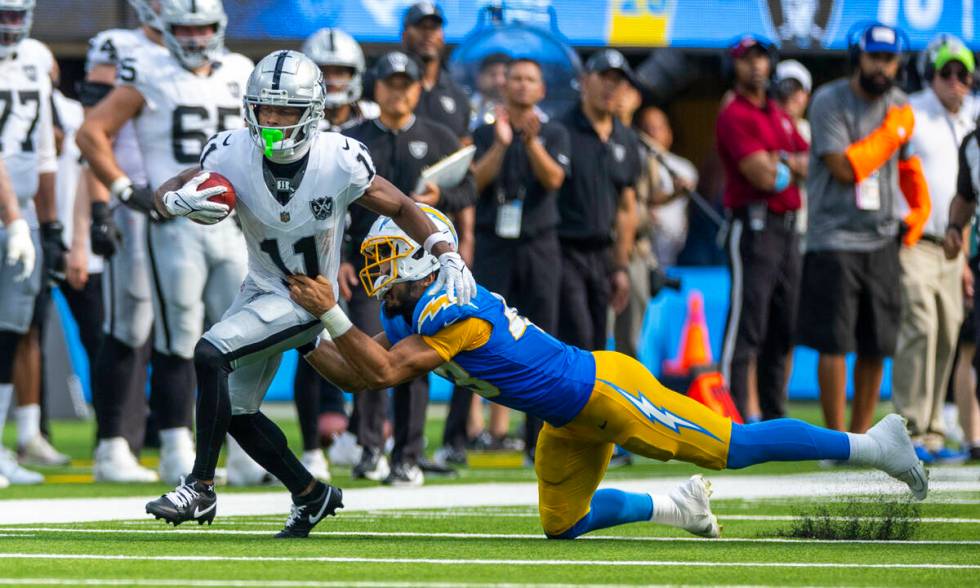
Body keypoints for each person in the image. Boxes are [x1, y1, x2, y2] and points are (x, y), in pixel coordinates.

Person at [288, 208, 928, 540]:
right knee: (561, 525)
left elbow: (385, 371)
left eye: (385, 256)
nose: (375, 271)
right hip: (566, 418)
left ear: (421, 260)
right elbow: (358, 375)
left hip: (606, 390)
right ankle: (672, 506)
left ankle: (876, 444)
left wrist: (330, 314)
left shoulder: (454, 310)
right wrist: (300, 334)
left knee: (731, 447)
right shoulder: (411, 315)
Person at [142, 50, 476, 536]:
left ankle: (200, 485)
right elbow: (177, 182)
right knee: (233, 411)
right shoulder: (230, 151)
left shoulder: (338, 158)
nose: (274, 121)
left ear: (313, 113)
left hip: (308, 299)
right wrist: (171, 201)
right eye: (266, 109)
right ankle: (311, 494)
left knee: (211, 352)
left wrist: (446, 251)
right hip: (258, 288)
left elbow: (402, 204)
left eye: (287, 111)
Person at [76, 0, 255, 485]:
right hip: (173, 226)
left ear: (219, 27)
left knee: (243, 338)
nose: (195, 38)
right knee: (178, 337)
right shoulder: (147, 70)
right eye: (184, 28)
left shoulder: (241, 72)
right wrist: (124, 192)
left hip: (232, 226)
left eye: (202, 27)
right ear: (165, 28)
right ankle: (177, 444)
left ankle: (243, 450)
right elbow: (92, 132)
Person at [344, 51, 477, 486]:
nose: (398, 91)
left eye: (406, 83)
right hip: (372, 266)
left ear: (418, 88)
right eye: (390, 82)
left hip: (423, 270)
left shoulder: (439, 136)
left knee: (415, 358)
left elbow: (469, 191)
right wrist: (343, 259)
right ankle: (368, 447)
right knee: (367, 350)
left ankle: (407, 455)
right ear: (375, 88)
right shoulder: (354, 140)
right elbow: (334, 207)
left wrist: (443, 200)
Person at [436, 57, 570, 465]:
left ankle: (536, 443)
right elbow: (474, 181)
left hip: (540, 244)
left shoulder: (555, 132)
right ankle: (455, 439)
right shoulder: (484, 131)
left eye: (530, 79)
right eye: (515, 79)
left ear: (541, 89)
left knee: (543, 340)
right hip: (496, 244)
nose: (522, 85)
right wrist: (502, 144)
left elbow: (554, 180)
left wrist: (530, 143)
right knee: (471, 331)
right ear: (504, 86)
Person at [799, 23, 930, 434]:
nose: (882, 66)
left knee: (877, 344)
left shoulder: (899, 102)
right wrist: (892, 132)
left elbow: (907, 165)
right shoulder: (827, 100)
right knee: (835, 343)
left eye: (889, 59)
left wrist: (920, 208)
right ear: (858, 57)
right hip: (834, 237)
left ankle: (862, 438)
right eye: (874, 56)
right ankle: (836, 439)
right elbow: (844, 168)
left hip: (882, 238)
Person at [75, 0, 165, 483]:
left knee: (179, 331)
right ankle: (113, 442)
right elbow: (94, 133)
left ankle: (175, 438)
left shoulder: (204, 58)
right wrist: (99, 207)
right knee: (126, 326)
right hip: (130, 202)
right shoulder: (119, 47)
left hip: (179, 210)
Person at [893, 34, 977, 463]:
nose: (955, 81)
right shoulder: (912, 111)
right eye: (946, 71)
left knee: (947, 331)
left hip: (954, 245)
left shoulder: (972, 120)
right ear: (931, 73)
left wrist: (963, 256)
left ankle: (932, 433)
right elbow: (890, 166)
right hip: (915, 240)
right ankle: (906, 428)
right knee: (920, 326)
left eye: (963, 73)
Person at [716, 35, 809, 423]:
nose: (756, 66)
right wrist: (782, 163)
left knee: (784, 324)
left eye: (761, 58)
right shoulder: (734, 113)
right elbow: (762, 175)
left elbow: (809, 161)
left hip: (787, 228)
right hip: (753, 225)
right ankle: (731, 415)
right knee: (747, 323)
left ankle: (775, 415)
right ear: (734, 66)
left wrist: (779, 161)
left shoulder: (776, 112)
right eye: (746, 59)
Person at [0, 0, 58, 486]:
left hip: (20, 214)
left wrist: (50, 222)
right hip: (11, 214)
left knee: (11, 330)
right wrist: (17, 217)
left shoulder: (37, 59)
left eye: (18, 14)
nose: (10, 24)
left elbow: (43, 151)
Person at [557, 49, 638, 355]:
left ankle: (588, 404)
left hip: (603, 253)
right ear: (584, 81)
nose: (611, 87)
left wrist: (620, 266)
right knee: (576, 334)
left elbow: (627, 208)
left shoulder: (626, 139)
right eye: (604, 78)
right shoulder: (561, 128)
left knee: (598, 342)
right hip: (564, 249)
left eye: (619, 81)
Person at [401, 1, 471, 140]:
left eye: (434, 27)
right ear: (404, 35)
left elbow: (465, 145)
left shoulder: (458, 95)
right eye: (420, 27)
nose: (428, 34)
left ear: (442, 35)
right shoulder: (384, 84)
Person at [773, 59, 812, 237]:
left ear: (807, 95)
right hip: (770, 225)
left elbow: (814, 169)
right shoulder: (762, 126)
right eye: (784, 89)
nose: (789, 96)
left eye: (796, 89)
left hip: (808, 226)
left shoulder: (814, 130)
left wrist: (780, 159)